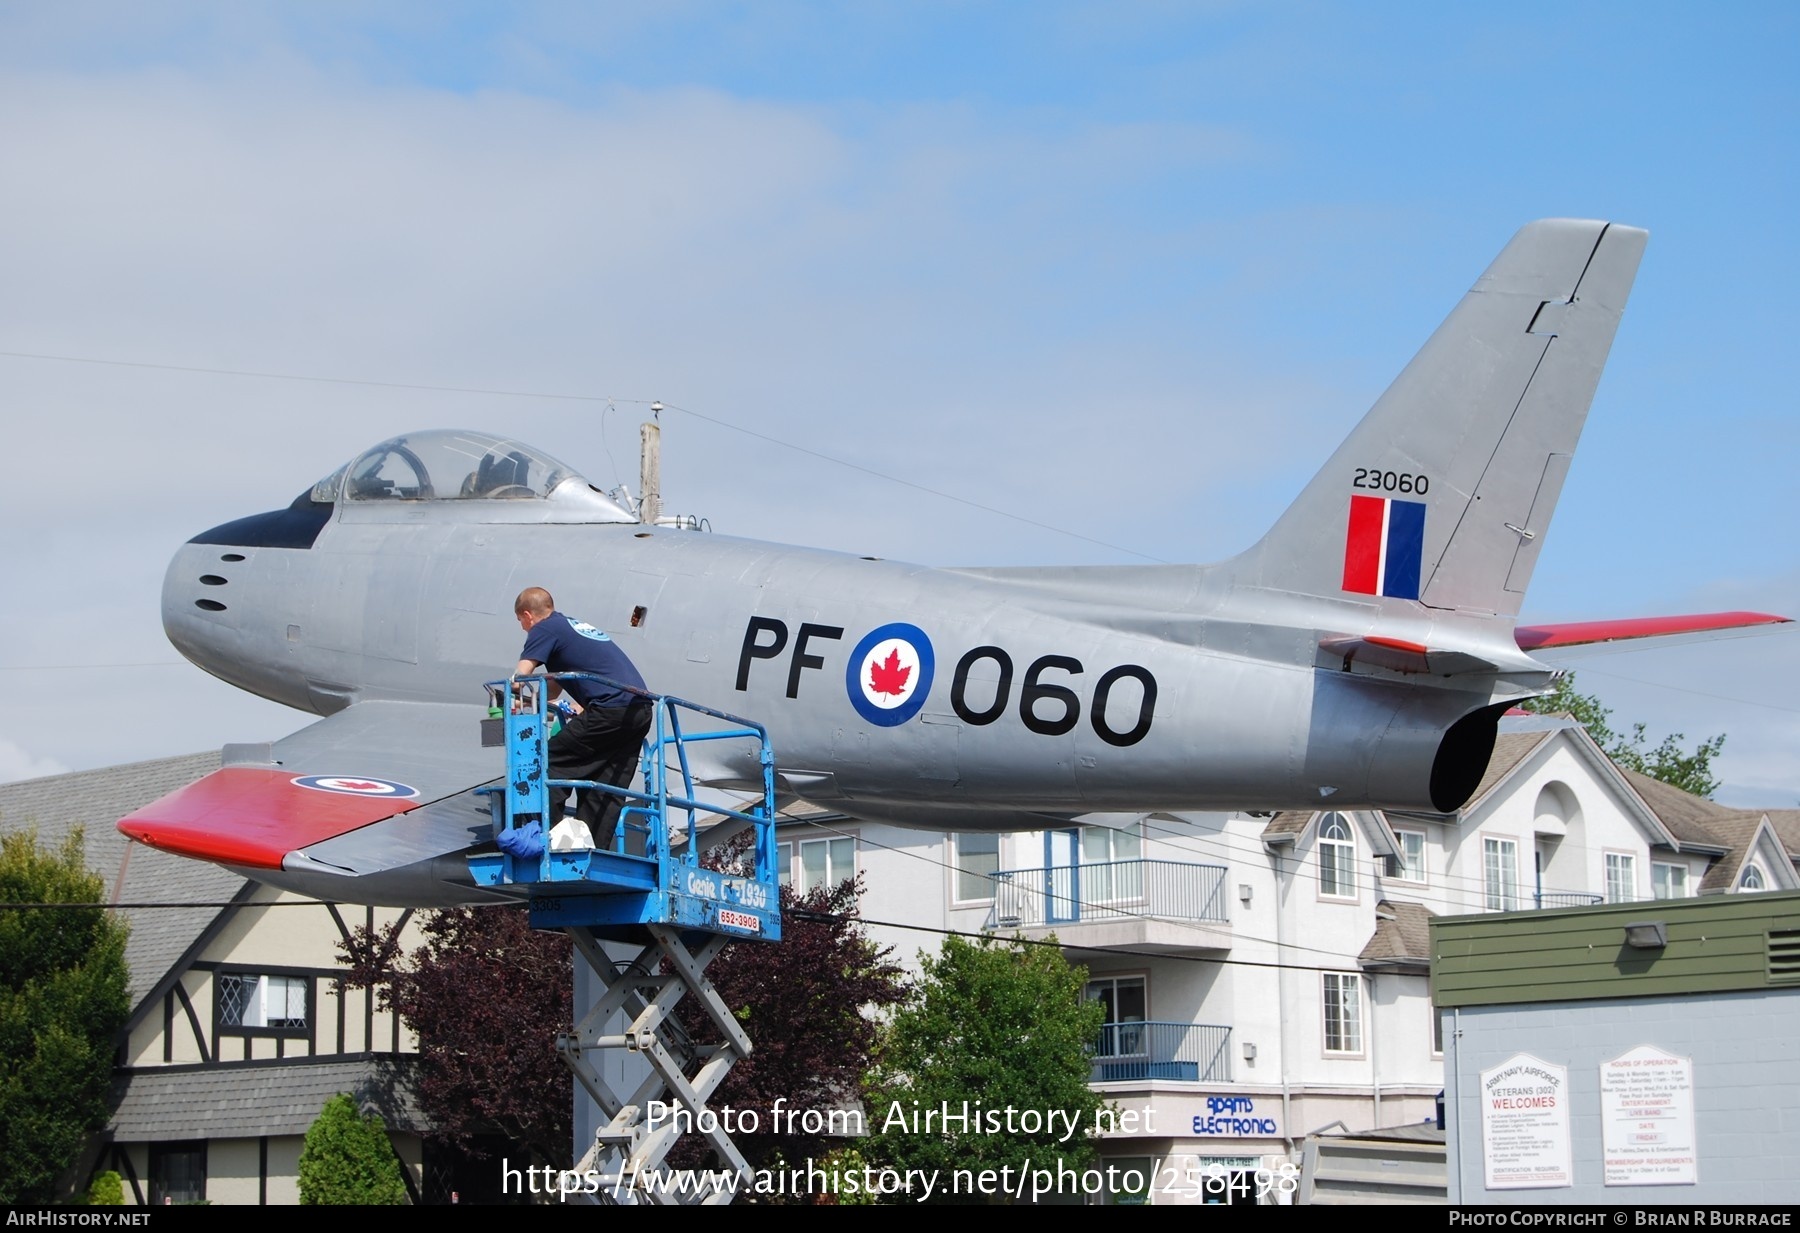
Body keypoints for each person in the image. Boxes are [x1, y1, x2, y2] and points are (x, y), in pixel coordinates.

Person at [512, 586, 652, 848]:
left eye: (521, 622)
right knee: (603, 780)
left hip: (610, 709)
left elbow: (522, 674)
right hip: (640, 709)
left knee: (547, 762)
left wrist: (512, 692)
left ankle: (541, 837)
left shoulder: (544, 628)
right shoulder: (570, 627)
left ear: (527, 615)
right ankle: (592, 849)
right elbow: (553, 688)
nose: (523, 629)